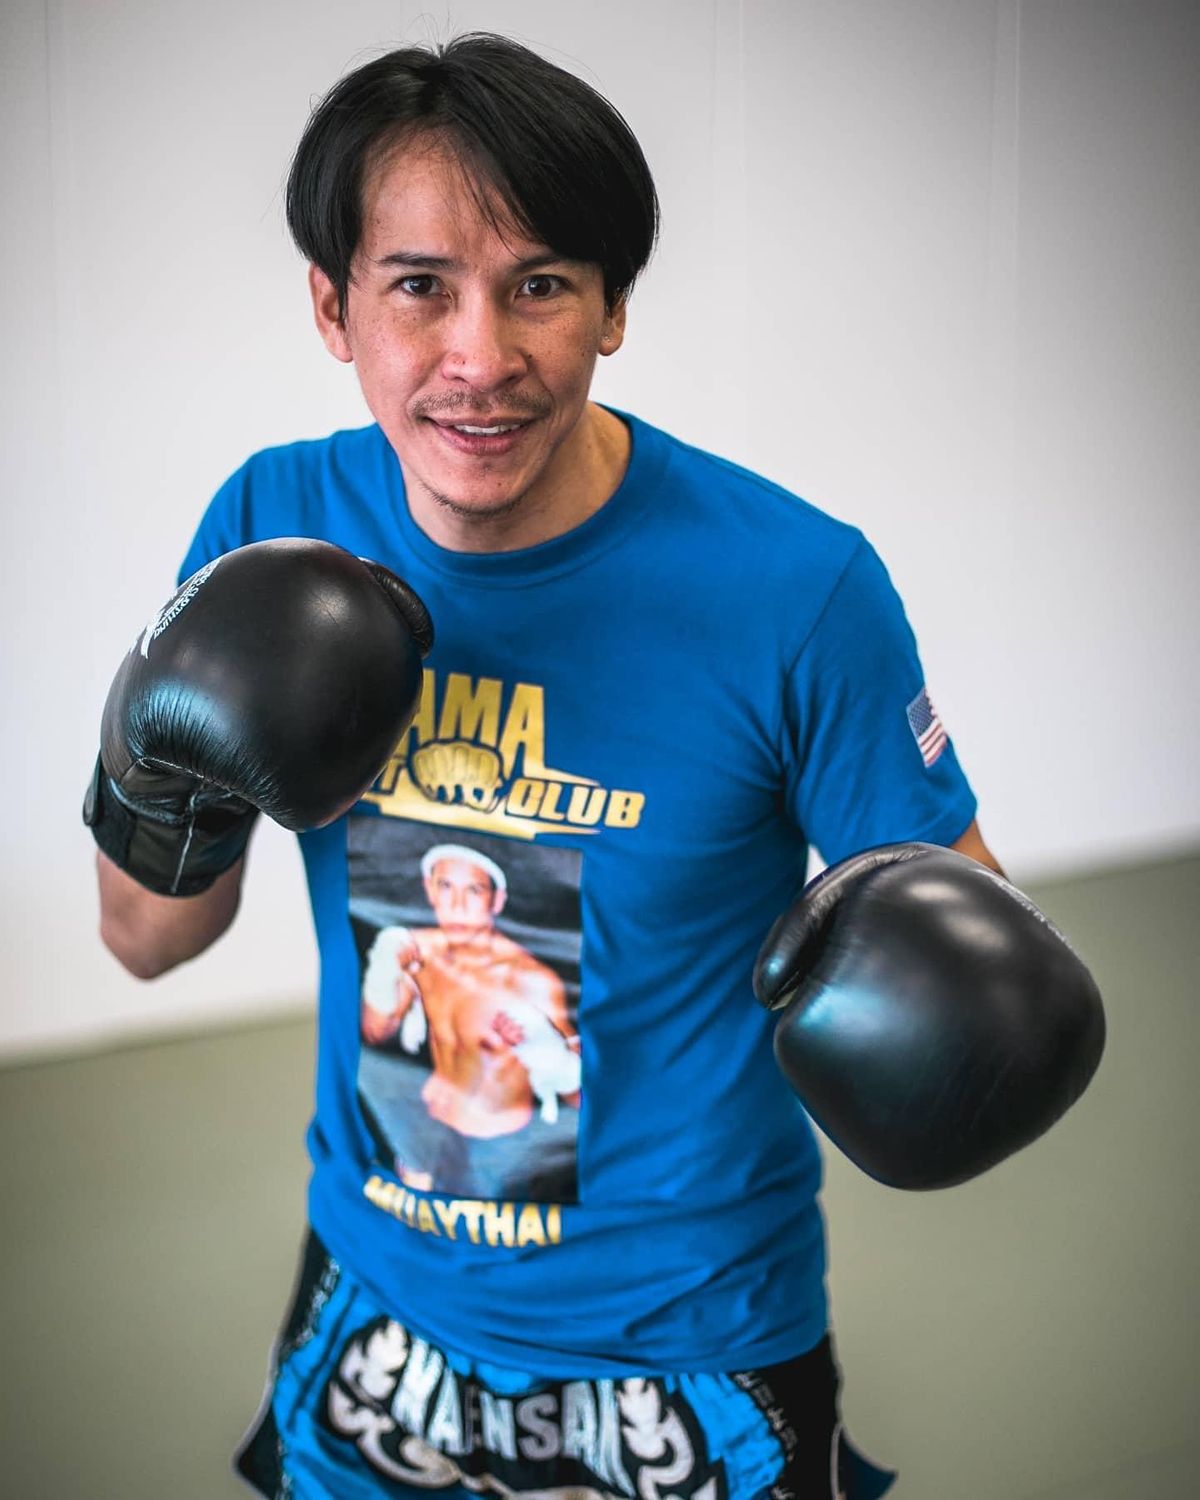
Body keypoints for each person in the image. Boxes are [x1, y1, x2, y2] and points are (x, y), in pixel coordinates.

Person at [90, 32, 1033, 1500]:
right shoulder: (273, 523)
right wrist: (158, 767)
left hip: (694, 1338)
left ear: (612, 308)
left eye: (539, 285)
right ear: (335, 306)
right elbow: (146, 939)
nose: (481, 359)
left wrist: (948, 1012)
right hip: (379, 1303)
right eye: (421, 287)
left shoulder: (795, 589)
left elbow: (973, 962)